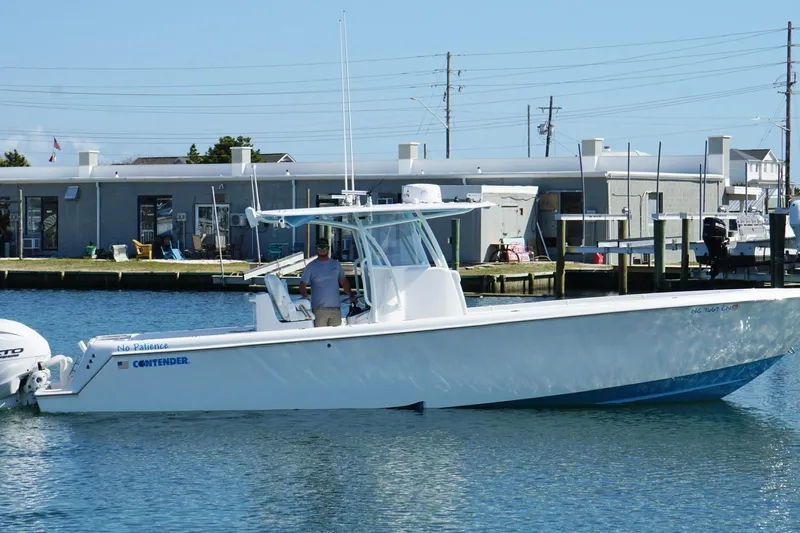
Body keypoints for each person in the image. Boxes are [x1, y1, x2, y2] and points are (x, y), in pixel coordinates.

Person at [299, 238, 356, 327]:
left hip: (336, 309)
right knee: (320, 334)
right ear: (316, 249)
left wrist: (351, 296)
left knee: (336, 334)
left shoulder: (336, 264)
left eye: (324, 247)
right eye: (320, 247)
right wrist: (304, 296)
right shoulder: (310, 266)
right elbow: (303, 283)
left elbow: (344, 282)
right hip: (318, 310)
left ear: (328, 248)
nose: (322, 249)